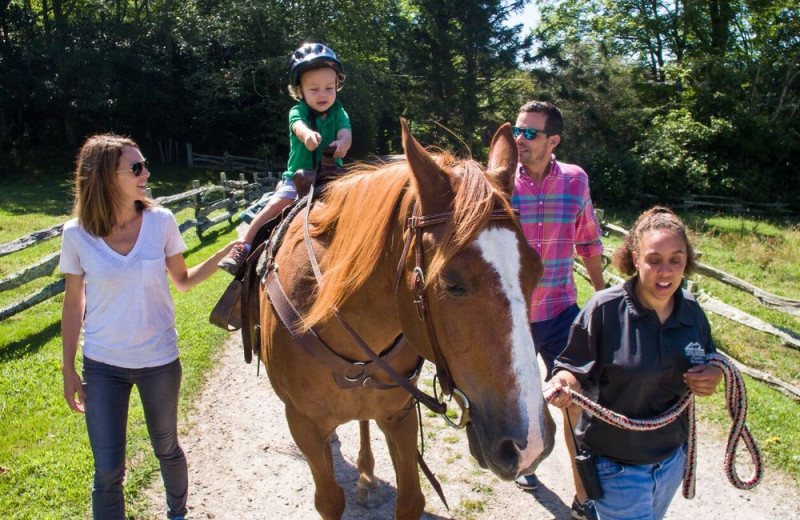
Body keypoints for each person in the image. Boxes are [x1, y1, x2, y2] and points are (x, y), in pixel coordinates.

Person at [59, 134, 238, 520]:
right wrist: (68, 367)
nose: (146, 173)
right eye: (136, 168)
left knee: (166, 447)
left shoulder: (161, 222)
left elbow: (184, 280)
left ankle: (177, 513)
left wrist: (224, 253)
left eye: (144, 165)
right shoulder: (76, 234)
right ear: (106, 176)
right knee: (107, 470)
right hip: (102, 364)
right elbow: (74, 303)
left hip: (159, 360)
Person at [546, 206, 724, 520]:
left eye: (675, 260)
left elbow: (710, 358)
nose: (665, 271)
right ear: (635, 259)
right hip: (618, 467)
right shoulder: (605, 309)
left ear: (687, 262)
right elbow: (573, 370)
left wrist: (713, 374)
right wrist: (564, 384)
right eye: (654, 260)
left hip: (670, 461)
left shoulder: (692, 312)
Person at [510, 100, 606, 520]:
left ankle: (584, 494)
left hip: (561, 309)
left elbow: (588, 240)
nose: (520, 140)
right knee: (522, 398)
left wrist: (602, 298)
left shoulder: (574, 180)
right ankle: (527, 463)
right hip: (511, 315)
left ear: (553, 140)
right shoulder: (499, 181)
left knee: (572, 399)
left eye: (530, 133)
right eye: (517, 130)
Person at [218, 42, 352, 274]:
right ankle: (243, 246)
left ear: (337, 86)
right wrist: (308, 135)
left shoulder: (339, 111)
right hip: (299, 177)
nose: (323, 94)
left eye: (329, 88)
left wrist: (342, 144)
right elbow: (298, 127)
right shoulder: (297, 111)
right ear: (299, 91)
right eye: (314, 89)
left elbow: (346, 133)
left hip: (332, 175)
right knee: (277, 204)